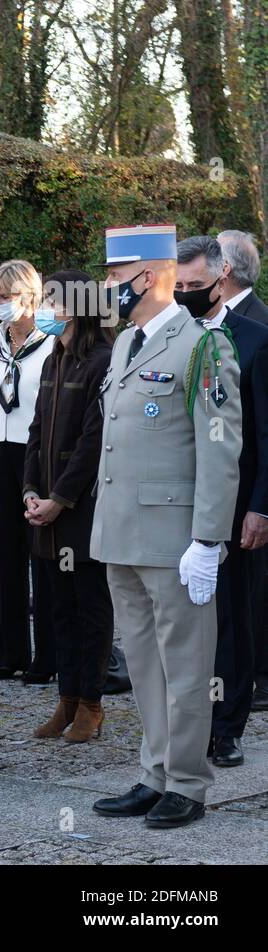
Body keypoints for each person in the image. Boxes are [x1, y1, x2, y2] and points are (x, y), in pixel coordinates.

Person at [90, 224, 241, 830]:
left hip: (174, 538)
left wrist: (208, 539)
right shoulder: (127, 343)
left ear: (149, 277)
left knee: (185, 667)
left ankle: (187, 781)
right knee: (145, 665)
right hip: (122, 533)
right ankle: (154, 772)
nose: (108, 291)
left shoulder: (204, 346)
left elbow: (219, 447)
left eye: (116, 280)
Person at [175, 236, 268, 768]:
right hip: (179, 498)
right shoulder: (177, 336)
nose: (186, 294)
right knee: (186, 616)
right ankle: (188, 719)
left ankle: (227, 726)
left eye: (194, 286)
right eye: (179, 286)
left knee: (231, 615)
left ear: (221, 275)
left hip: (236, 502)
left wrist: (261, 506)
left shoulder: (255, 338)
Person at [22, 269, 116, 742]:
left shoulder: (103, 360)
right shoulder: (51, 361)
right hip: (46, 514)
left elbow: (93, 442)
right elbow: (36, 432)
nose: (45, 311)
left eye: (53, 302)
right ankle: (66, 699)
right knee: (57, 610)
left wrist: (59, 499)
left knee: (90, 610)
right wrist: (30, 492)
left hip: (81, 513)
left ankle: (91, 705)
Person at [0, 260, 57, 683]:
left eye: (7, 295)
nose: (0, 303)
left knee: (40, 552)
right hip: (0, 448)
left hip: (36, 451)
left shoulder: (49, 344)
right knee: (7, 552)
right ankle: (10, 653)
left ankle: (47, 657)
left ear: (30, 297)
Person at [216, 230, 268, 712]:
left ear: (224, 271)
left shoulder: (258, 326)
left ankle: (254, 680)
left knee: (251, 594)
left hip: (248, 487)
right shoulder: (208, 324)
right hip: (218, 487)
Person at [217, 230, 268, 323]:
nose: (205, 264)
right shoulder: (211, 312)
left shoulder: (262, 324)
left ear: (225, 268)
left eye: (210, 257)